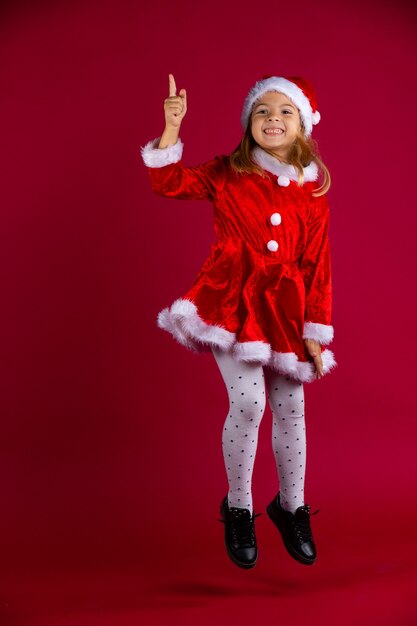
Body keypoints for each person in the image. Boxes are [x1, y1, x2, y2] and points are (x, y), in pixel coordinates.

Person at [141, 73, 336, 569]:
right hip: (229, 301)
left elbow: (317, 264)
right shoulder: (227, 171)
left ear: (303, 126)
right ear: (249, 124)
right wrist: (170, 129)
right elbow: (169, 182)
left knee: (292, 410)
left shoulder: (312, 192)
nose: (272, 118)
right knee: (248, 404)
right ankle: (240, 506)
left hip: (286, 311)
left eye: (284, 111)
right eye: (262, 111)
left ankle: (291, 507)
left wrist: (316, 330)